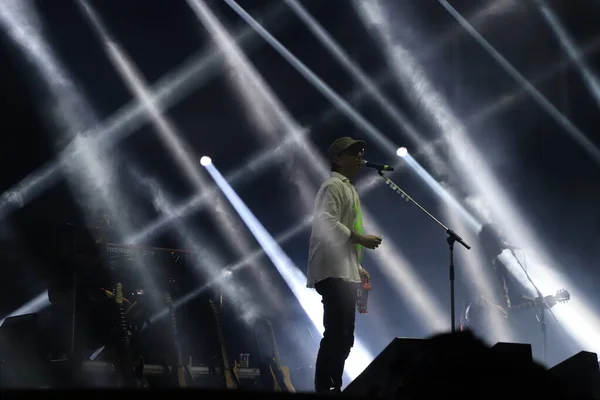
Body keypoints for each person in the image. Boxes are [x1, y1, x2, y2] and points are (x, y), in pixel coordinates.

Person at [306, 137, 383, 393]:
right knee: (337, 333)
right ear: (337, 159)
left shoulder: (348, 188)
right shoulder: (332, 186)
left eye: (361, 152)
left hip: (344, 270)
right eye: (353, 153)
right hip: (332, 272)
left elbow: (343, 231)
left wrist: (357, 266)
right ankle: (325, 388)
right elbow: (326, 222)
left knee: (345, 337)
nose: (360, 156)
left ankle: (333, 385)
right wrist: (361, 239)